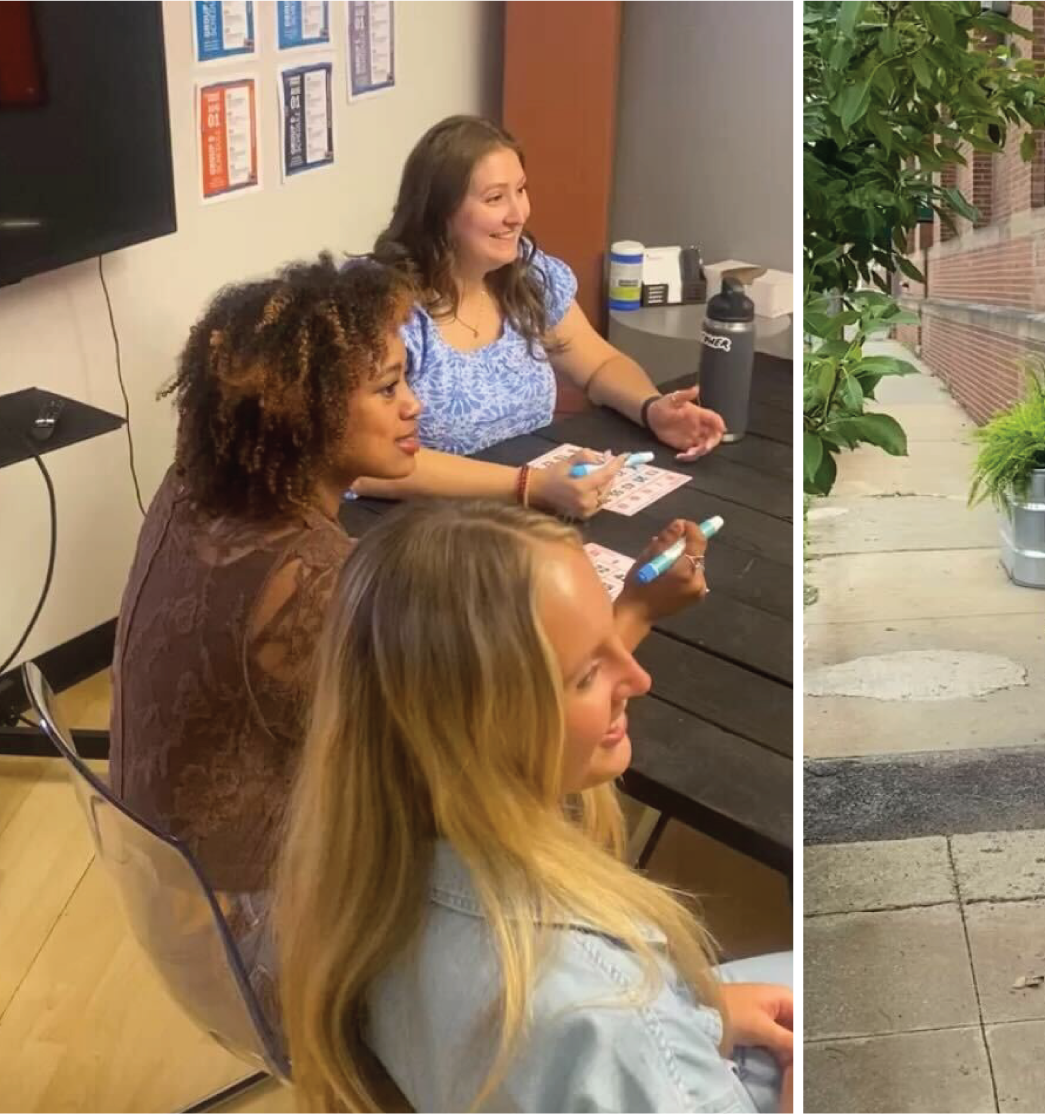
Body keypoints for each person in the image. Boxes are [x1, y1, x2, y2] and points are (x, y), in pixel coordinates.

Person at [110, 255, 710, 992]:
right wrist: (634, 613)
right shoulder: (312, 583)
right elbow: (503, 761)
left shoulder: (195, 492)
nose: (414, 405)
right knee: (563, 814)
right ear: (305, 410)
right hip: (266, 930)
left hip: (178, 889)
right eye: (388, 386)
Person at [272, 501, 791, 1113]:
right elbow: (607, 1032)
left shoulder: (363, 886)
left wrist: (693, 1023)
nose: (639, 680)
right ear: (477, 726)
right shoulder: (609, 1007)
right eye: (585, 676)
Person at [351, 115, 727, 510]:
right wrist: (529, 485)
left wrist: (652, 410)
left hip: (522, 507)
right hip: (416, 528)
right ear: (438, 212)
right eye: (495, 198)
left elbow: (598, 364)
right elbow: (365, 464)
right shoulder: (382, 306)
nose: (519, 214)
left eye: (521, 190)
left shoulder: (528, 272)